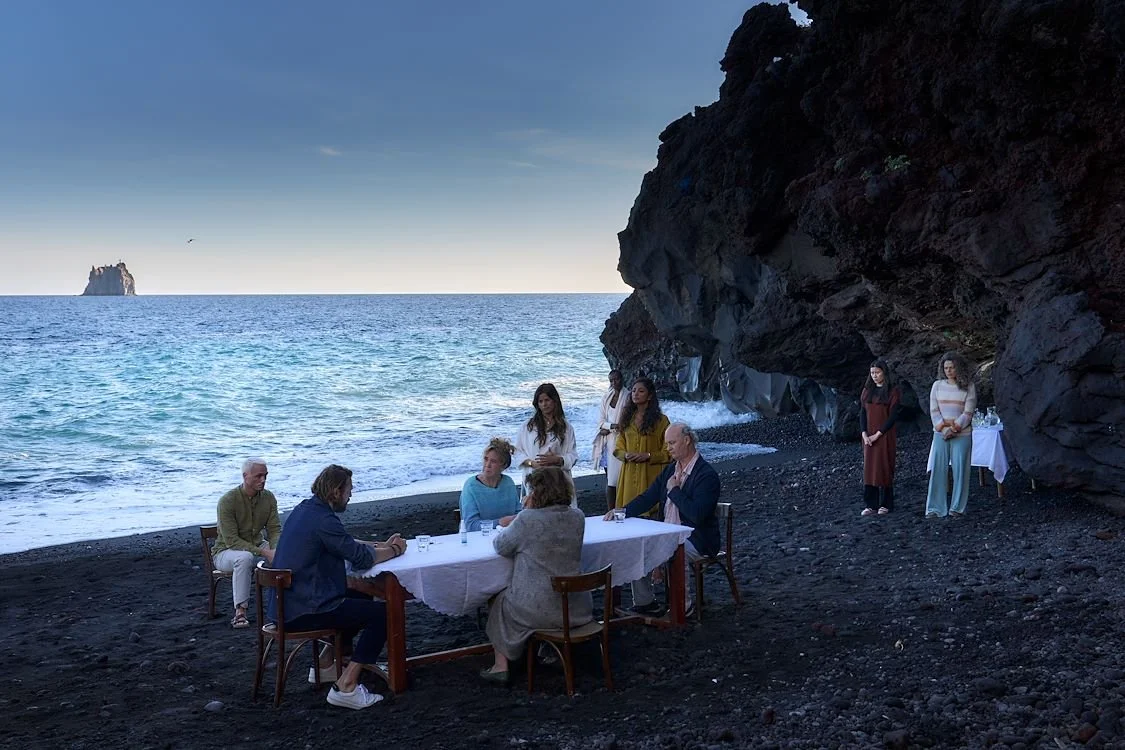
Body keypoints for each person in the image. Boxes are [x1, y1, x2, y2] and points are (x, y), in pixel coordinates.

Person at [269, 464, 407, 710]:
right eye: (349, 490)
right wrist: (395, 550)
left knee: (362, 597)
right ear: (335, 491)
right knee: (385, 614)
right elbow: (360, 558)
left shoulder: (306, 509)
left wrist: (378, 545)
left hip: (287, 605)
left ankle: (326, 665)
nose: (351, 495)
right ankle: (347, 685)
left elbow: (345, 543)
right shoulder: (323, 520)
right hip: (304, 609)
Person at [480, 467, 591, 683]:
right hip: (575, 606)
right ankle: (547, 651)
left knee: (498, 599)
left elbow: (501, 546)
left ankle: (500, 665)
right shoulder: (577, 517)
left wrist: (525, 514)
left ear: (537, 491)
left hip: (539, 609)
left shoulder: (528, 520)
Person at [604, 422, 719, 617]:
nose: (668, 448)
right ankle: (645, 602)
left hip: (698, 539)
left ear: (687, 440)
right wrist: (621, 511)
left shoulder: (706, 475)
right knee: (637, 548)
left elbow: (697, 514)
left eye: (672, 443)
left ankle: (683, 606)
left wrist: (674, 491)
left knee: (673, 550)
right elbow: (648, 498)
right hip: (669, 532)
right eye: (667, 444)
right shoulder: (670, 471)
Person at [212, 458, 282, 629]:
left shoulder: (268, 498)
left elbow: (274, 529)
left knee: (284, 554)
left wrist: (275, 549)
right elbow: (232, 541)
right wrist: (266, 553)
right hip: (225, 552)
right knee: (244, 557)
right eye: (258, 476)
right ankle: (240, 612)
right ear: (245, 476)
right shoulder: (227, 501)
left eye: (265, 475)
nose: (263, 480)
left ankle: (282, 609)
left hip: (257, 545)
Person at [925, 351, 978, 518]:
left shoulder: (968, 386)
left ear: (958, 368)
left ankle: (957, 507)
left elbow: (968, 412)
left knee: (961, 470)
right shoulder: (937, 386)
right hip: (940, 433)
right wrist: (943, 428)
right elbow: (934, 411)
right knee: (938, 470)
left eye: (952, 367)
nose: (949, 370)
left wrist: (954, 428)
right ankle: (935, 508)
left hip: (962, 434)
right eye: (946, 367)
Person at [612, 377, 671, 511]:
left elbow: (669, 452)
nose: (635, 394)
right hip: (629, 475)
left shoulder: (661, 421)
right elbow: (618, 447)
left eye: (641, 391)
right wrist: (626, 455)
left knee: (650, 513)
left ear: (650, 395)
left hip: (651, 475)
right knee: (628, 513)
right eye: (633, 391)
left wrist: (649, 456)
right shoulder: (626, 419)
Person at [513, 383, 578, 497]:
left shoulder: (566, 428)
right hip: (535, 477)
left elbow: (573, 455)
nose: (544, 404)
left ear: (554, 401)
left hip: (558, 478)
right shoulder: (528, 427)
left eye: (547, 400)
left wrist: (557, 460)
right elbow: (518, 451)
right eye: (540, 401)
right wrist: (532, 463)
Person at [859, 360, 903, 516]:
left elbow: (892, 417)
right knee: (869, 469)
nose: (875, 376)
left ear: (884, 372)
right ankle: (871, 504)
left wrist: (878, 434)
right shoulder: (867, 391)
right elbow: (863, 413)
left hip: (884, 435)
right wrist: (864, 434)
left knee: (884, 467)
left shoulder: (892, 392)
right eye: (872, 373)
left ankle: (886, 503)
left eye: (877, 372)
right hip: (868, 435)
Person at [460, 437, 521, 531]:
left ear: (503, 465)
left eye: (493, 461)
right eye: (486, 459)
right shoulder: (471, 486)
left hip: (508, 534)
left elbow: (518, 513)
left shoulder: (508, 482)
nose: (487, 465)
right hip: (479, 538)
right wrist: (499, 523)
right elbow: (471, 525)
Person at [591, 369, 627, 512]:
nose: (614, 383)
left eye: (616, 379)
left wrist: (608, 427)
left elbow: (624, 423)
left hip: (620, 441)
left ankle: (619, 508)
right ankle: (611, 509)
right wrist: (611, 426)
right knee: (609, 478)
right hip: (606, 442)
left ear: (622, 379)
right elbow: (600, 421)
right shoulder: (606, 397)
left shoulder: (628, 397)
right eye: (611, 380)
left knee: (617, 478)